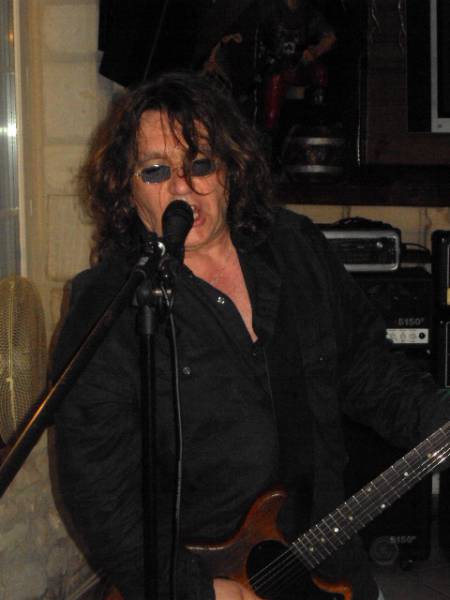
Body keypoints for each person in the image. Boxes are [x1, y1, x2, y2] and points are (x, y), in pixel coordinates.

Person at [53, 70, 450, 600]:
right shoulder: (108, 303)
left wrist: (438, 418)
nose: (182, 187)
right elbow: (98, 490)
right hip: (209, 576)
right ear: (126, 188)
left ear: (231, 169)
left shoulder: (295, 248)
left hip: (327, 557)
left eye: (200, 164)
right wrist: (194, 589)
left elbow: (368, 370)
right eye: (156, 171)